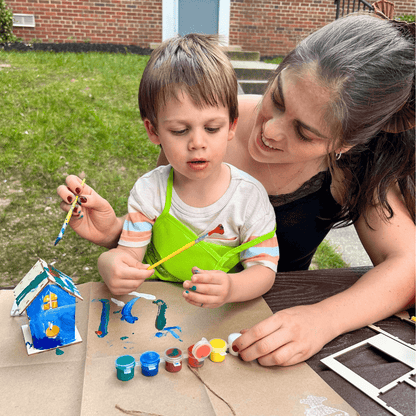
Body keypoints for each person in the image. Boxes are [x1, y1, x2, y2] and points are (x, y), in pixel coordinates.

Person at [57, 12, 415, 366]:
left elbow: (408, 266)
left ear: (345, 145)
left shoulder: (351, 170)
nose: (271, 131)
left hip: (265, 327)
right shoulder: (204, 122)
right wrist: (112, 235)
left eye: (304, 132)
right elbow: (158, 228)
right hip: (172, 318)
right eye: (276, 98)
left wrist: (324, 320)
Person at [94, 34, 279, 307]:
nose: (197, 143)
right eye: (180, 130)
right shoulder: (149, 191)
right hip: (156, 308)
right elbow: (128, 255)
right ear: (153, 130)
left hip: (222, 315)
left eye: (212, 128)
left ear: (231, 126)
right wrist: (108, 263)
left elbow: (264, 271)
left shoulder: (249, 198)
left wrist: (230, 288)